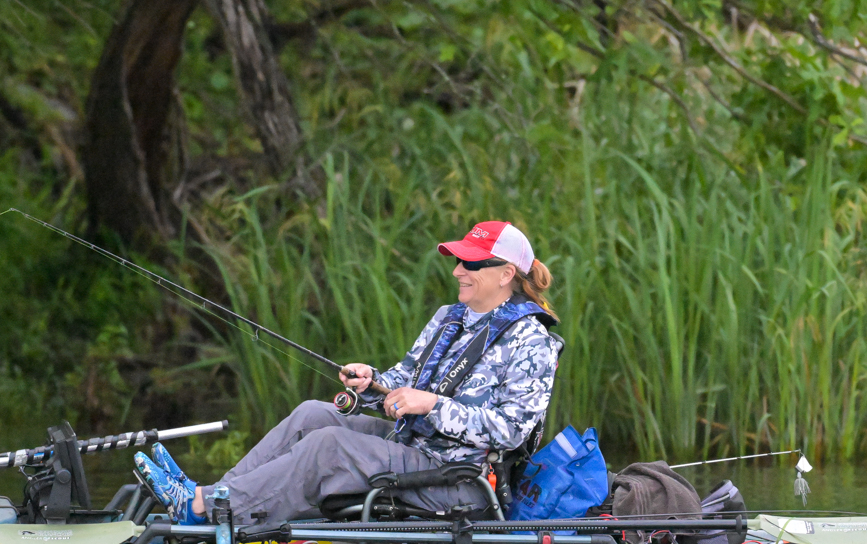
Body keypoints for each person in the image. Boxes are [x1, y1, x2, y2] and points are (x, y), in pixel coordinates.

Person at [135, 221, 561, 526]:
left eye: (469, 263)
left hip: (459, 478)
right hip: (411, 447)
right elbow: (405, 379)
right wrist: (372, 382)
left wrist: (431, 405)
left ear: (506, 274)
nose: (457, 271)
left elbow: (511, 431)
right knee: (311, 415)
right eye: (458, 261)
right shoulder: (448, 317)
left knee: (329, 447)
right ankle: (210, 502)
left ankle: (204, 508)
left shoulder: (532, 342)